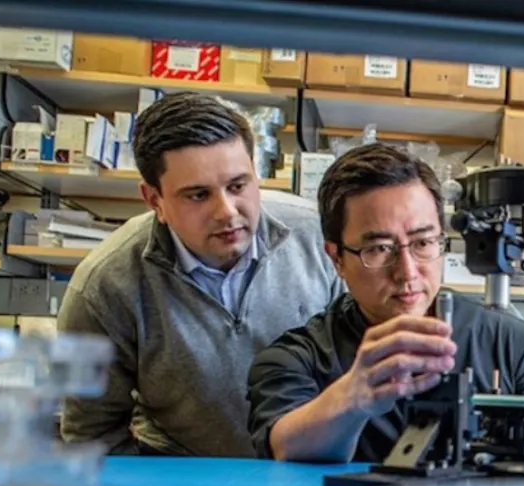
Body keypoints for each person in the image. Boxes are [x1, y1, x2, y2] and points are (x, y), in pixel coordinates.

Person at [247, 143, 524, 463]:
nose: (408, 271)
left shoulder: (509, 341)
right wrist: (353, 399)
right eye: (380, 248)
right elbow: (284, 444)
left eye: (424, 243)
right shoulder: (297, 357)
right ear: (336, 258)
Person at [59, 92, 344, 457]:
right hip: (183, 482)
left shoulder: (317, 237)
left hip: (304, 471)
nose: (226, 211)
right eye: (198, 195)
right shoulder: (104, 287)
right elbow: (93, 436)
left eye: (238, 186)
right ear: (154, 200)